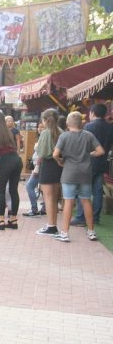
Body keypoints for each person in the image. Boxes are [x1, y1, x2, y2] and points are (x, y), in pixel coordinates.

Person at [52, 111, 105, 242]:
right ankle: (91, 231)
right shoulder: (88, 135)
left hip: (69, 172)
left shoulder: (64, 136)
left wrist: (60, 162)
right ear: (81, 123)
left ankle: (64, 233)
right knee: (86, 200)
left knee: (69, 201)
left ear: (67, 123)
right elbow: (101, 151)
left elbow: (55, 154)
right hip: (85, 172)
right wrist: (90, 154)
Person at [71, 103, 113, 226]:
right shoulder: (110, 127)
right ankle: (95, 217)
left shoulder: (89, 126)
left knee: (83, 191)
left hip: (88, 163)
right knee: (98, 191)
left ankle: (80, 217)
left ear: (93, 113)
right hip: (102, 163)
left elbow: (82, 144)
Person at [0, 110, 23, 230]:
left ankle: (1, 220)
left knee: (1, 190)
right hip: (17, 161)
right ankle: (13, 220)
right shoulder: (9, 131)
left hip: (6, 161)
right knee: (14, 190)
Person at [35, 109, 64, 236]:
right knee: (55, 197)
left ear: (45, 120)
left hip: (47, 165)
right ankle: (53, 225)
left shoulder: (45, 133)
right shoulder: (61, 132)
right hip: (58, 166)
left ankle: (51, 226)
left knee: (48, 198)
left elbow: (41, 153)